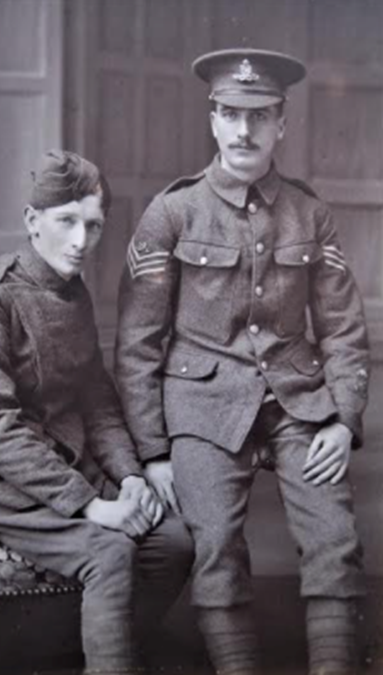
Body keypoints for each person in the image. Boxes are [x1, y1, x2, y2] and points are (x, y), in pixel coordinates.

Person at [115, 49, 370, 675]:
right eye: (230, 113)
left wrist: (342, 420)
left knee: (334, 541)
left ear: (282, 123)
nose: (243, 130)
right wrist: (153, 451)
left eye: (259, 115)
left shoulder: (310, 213)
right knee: (216, 548)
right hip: (201, 409)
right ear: (212, 120)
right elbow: (137, 345)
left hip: (298, 400)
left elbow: (342, 329)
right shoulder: (172, 214)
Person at [0, 150, 193, 674]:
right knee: (111, 550)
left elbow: (96, 403)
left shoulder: (72, 295)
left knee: (174, 542)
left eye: (93, 226)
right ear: (33, 221)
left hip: (62, 468)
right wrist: (91, 506)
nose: (81, 242)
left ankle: (95, 646)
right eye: (66, 222)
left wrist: (131, 477)